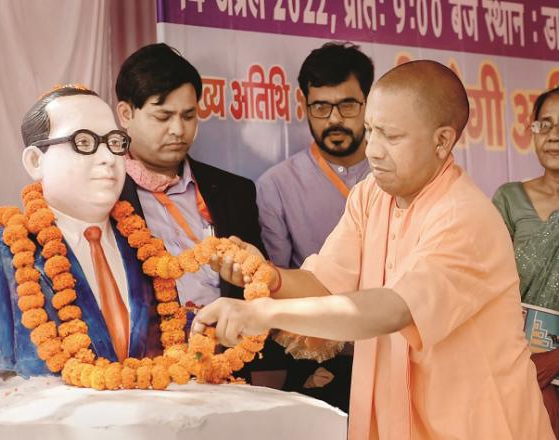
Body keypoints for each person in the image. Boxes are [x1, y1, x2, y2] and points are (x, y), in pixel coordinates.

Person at [195, 60, 554, 439]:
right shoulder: (371, 195)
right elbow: (327, 281)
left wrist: (265, 313)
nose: (373, 151)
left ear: (442, 140)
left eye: (391, 137)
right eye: (370, 131)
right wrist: (269, 277)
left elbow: (394, 309)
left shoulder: (465, 216)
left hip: (479, 426)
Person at [0, 86, 162, 377]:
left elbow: (167, 333)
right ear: (35, 161)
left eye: (114, 142)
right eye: (84, 141)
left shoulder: (148, 253)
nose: (107, 158)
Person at [114, 43, 283, 384]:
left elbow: (257, 289)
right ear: (126, 114)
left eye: (189, 116)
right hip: (141, 377)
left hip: (226, 373)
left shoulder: (234, 192)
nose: (178, 130)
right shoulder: (104, 194)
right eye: (163, 116)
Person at [256, 42, 373, 410]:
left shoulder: (396, 174)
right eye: (321, 106)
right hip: (321, 361)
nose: (334, 119)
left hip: (401, 345)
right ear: (303, 105)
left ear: (369, 103)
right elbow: (277, 281)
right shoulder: (275, 185)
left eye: (348, 105)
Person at [493, 86, 559, 437]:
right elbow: (487, 288)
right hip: (517, 362)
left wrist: (555, 361)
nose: (554, 137)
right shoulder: (509, 198)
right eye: (544, 125)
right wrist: (526, 364)